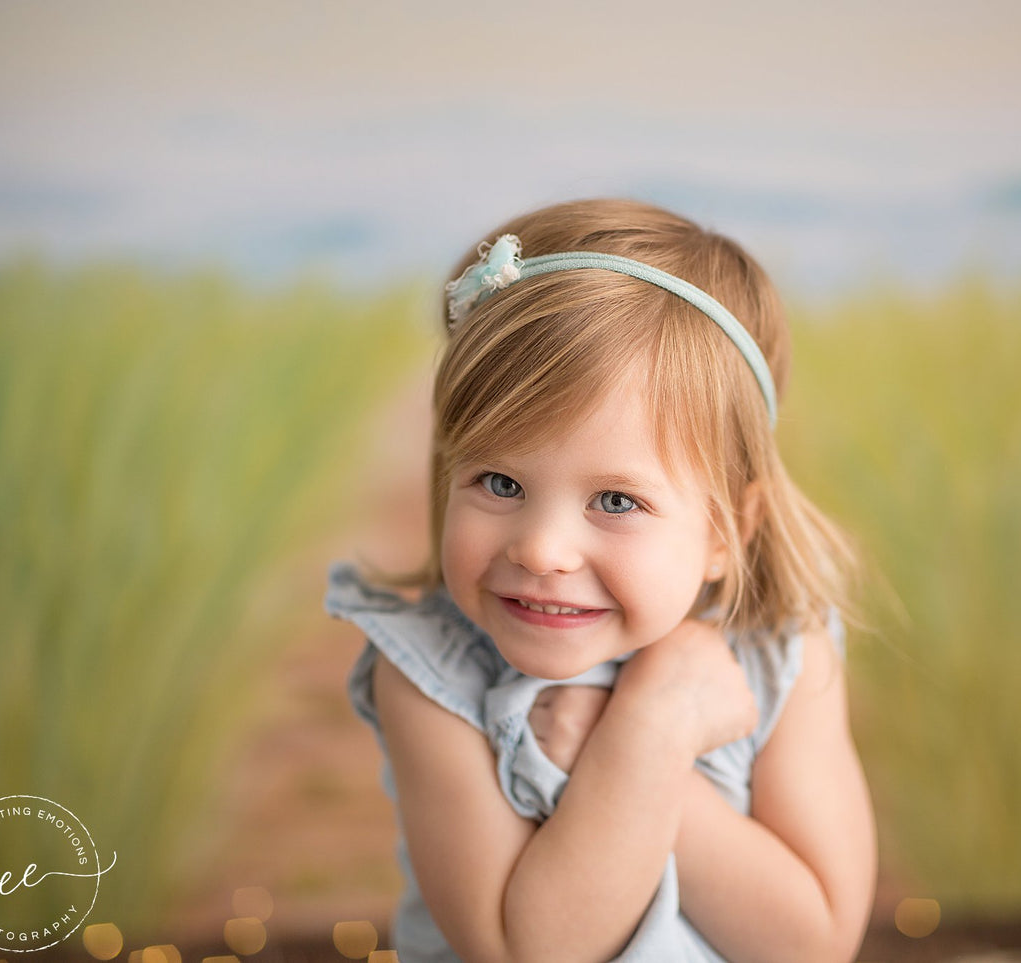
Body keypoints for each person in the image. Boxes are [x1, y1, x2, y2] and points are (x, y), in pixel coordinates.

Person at [326, 198, 876, 962]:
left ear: (725, 530)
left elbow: (813, 943)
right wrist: (648, 734)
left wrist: (640, 731)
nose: (541, 550)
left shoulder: (781, 651)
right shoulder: (428, 672)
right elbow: (526, 950)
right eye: (499, 482)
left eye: (616, 501)